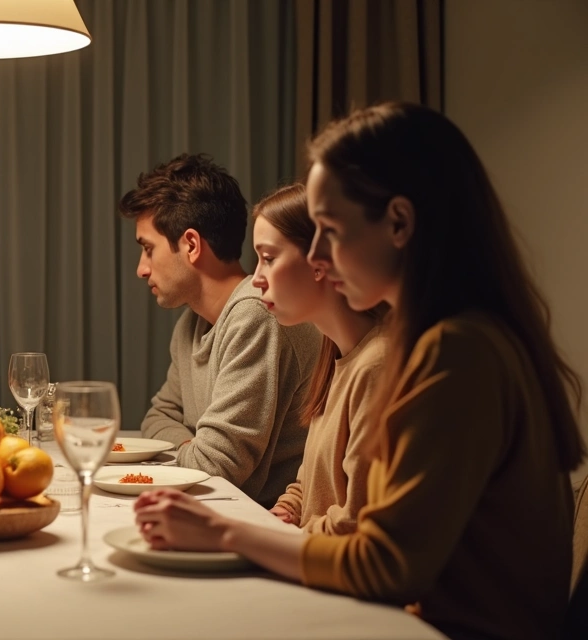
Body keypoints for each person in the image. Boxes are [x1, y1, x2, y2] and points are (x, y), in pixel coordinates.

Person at [133, 102, 584, 639]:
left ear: (398, 222)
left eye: (329, 228)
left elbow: (387, 566)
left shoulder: (456, 351)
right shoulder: (442, 340)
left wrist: (226, 532)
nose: (318, 253)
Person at [118, 154, 323, 506]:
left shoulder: (255, 315)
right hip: (216, 512)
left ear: (192, 245)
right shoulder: (191, 324)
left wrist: (188, 450)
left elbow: (215, 465)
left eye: (148, 250)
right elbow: (158, 415)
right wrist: (189, 447)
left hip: (261, 527)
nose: (141, 269)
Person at [249, 184, 386, 534]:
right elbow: (313, 481)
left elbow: (357, 521)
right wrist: (287, 510)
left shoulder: (376, 366)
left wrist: (268, 540)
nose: (256, 279)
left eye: (268, 258)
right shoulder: (335, 357)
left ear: (320, 262)